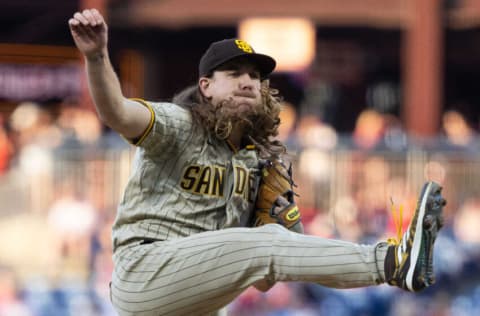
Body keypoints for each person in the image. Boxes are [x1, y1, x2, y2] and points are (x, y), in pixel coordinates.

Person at [68, 9, 447, 316]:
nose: (248, 81)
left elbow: (268, 276)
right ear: (206, 87)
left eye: (255, 75)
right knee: (266, 243)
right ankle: (393, 262)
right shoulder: (179, 124)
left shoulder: (258, 162)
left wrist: (288, 219)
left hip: (198, 299)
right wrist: (97, 56)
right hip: (146, 273)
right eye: (234, 73)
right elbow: (117, 112)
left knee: (269, 244)